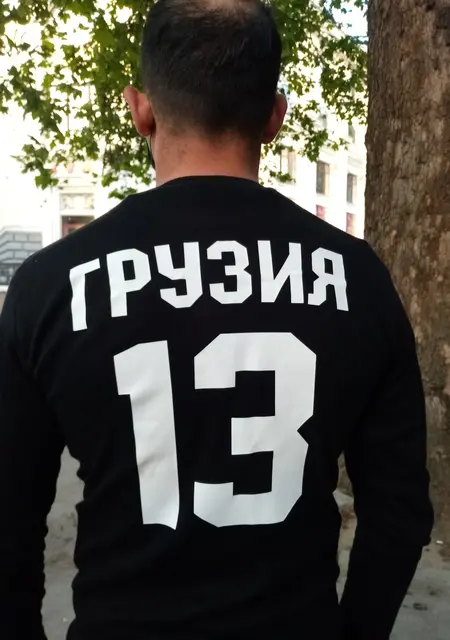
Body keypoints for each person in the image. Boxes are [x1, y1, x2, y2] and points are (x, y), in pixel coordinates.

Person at [0, 0, 433, 638]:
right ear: (274, 118)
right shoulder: (359, 280)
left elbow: (9, 521)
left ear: (140, 110)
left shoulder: (51, 286)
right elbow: (399, 512)